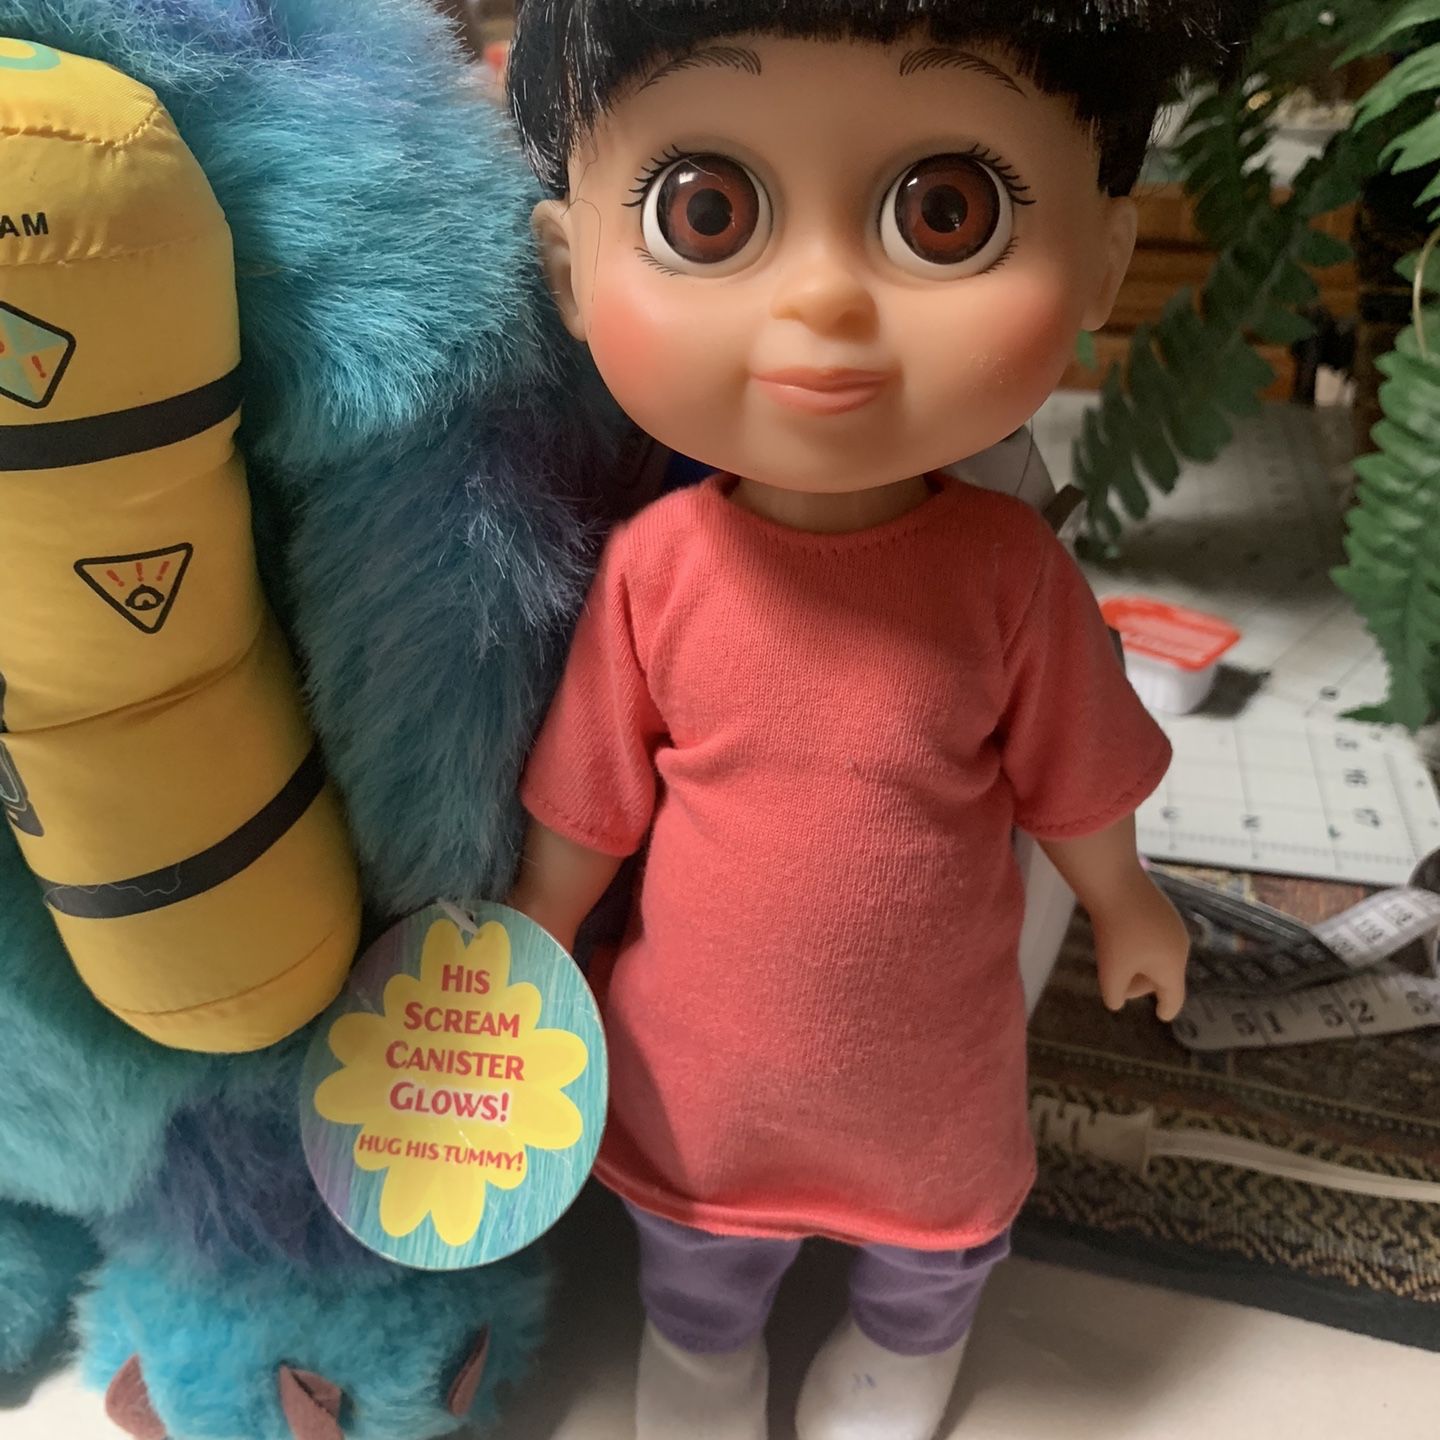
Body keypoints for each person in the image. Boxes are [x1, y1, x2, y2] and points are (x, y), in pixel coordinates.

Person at [505, 4, 1249, 1437]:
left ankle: (896, 1364)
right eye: (709, 212)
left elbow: (1076, 777)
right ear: (571, 269)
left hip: (932, 1072)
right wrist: (536, 925)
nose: (826, 300)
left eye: (943, 211)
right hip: (703, 1068)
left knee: (935, 1257)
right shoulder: (657, 570)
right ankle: (705, 1366)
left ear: (1102, 261)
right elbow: (591, 795)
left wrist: (1126, 901)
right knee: (697, 1259)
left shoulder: (1010, 575)